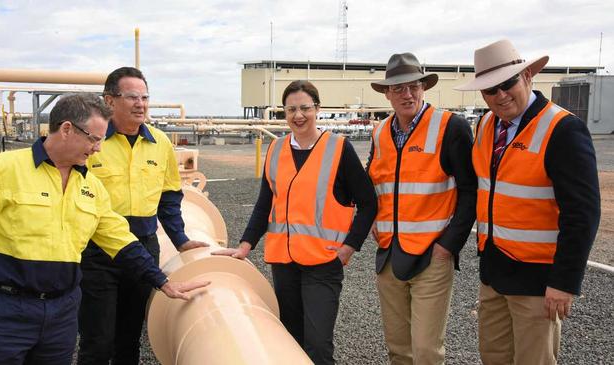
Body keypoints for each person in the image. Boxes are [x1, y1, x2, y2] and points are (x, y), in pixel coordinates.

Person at [0, 93, 209, 365]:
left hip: (62, 313)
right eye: (94, 139)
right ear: (67, 129)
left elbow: (120, 240)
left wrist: (163, 282)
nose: (98, 149)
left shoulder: (91, 187)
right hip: (6, 310)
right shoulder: (0, 170)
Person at [455, 39, 600, 364]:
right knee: (493, 356)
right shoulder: (486, 126)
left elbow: (583, 214)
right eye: (490, 90)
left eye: (508, 84)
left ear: (528, 77)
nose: (501, 95)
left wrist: (564, 282)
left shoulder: (562, 129)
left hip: (538, 281)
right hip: (494, 273)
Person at [213, 80, 377, 364]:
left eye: (305, 108)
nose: (298, 115)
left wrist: (349, 248)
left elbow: (369, 203)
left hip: (323, 264)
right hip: (284, 263)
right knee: (289, 339)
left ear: (317, 109)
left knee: (318, 345)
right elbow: (266, 202)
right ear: (284, 113)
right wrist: (245, 245)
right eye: (291, 109)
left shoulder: (339, 149)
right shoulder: (276, 150)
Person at [77, 67, 208, 365]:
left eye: (145, 97)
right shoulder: (93, 141)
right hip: (97, 252)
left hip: (144, 247)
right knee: (97, 340)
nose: (141, 104)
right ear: (109, 101)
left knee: (129, 337)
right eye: (132, 97)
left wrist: (181, 240)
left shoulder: (159, 143)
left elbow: (169, 197)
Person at [367, 53, 477, 364]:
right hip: (389, 256)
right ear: (387, 93)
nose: (408, 95)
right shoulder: (379, 133)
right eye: (399, 89)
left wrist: (448, 246)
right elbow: (372, 182)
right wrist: (373, 217)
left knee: (427, 351)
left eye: (414, 86)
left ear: (424, 88)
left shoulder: (450, 127)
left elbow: (470, 192)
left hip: (432, 256)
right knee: (399, 349)